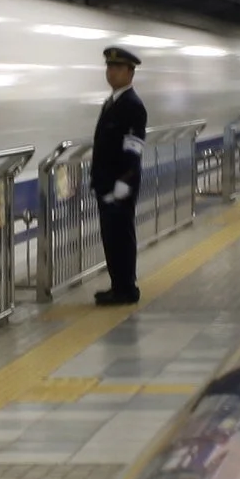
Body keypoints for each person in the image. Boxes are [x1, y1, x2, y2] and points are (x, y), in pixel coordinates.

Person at [91, 45, 147, 305]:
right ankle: (118, 285)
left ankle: (127, 288)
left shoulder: (133, 106)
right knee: (111, 237)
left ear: (130, 72)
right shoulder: (112, 102)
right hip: (106, 184)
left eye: (116, 68)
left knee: (121, 236)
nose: (110, 72)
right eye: (109, 67)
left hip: (120, 184)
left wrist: (125, 181)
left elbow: (133, 148)